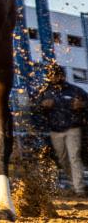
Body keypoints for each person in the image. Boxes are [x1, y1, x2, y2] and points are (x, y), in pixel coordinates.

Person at [34, 63, 87, 196]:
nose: (55, 78)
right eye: (52, 76)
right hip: (55, 130)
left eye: (58, 75)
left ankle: (79, 189)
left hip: (73, 128)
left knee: (74, 157)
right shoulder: (45, 92)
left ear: (62, 75)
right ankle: (73, 183)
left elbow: (87, 103)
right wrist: (42, 106)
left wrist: (83, 105)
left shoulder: (76, 90)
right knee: (63, 159)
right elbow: (35, 108)